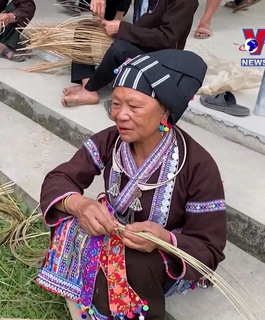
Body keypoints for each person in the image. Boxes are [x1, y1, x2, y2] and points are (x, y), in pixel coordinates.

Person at [37, 49, 227, 320]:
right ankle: (88, 299)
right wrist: (79, 205)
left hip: (163, 258)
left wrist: (164, 239)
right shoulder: (111, 141)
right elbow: (59, 179)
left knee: (132, 261)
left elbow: (209, 248)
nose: (120, 116)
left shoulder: (197, 165)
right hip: (115, 234)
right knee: (70, 222)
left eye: (134, 106)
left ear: (164, 109)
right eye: (115, 104)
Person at [61, 0, 199, 107]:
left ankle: (90, 89)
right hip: (137, 37)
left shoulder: (185, 2)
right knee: (84, 28)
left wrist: (122, 28)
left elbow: (166, 39)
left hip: (160, 56)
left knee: (119, 49)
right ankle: (87, 84)